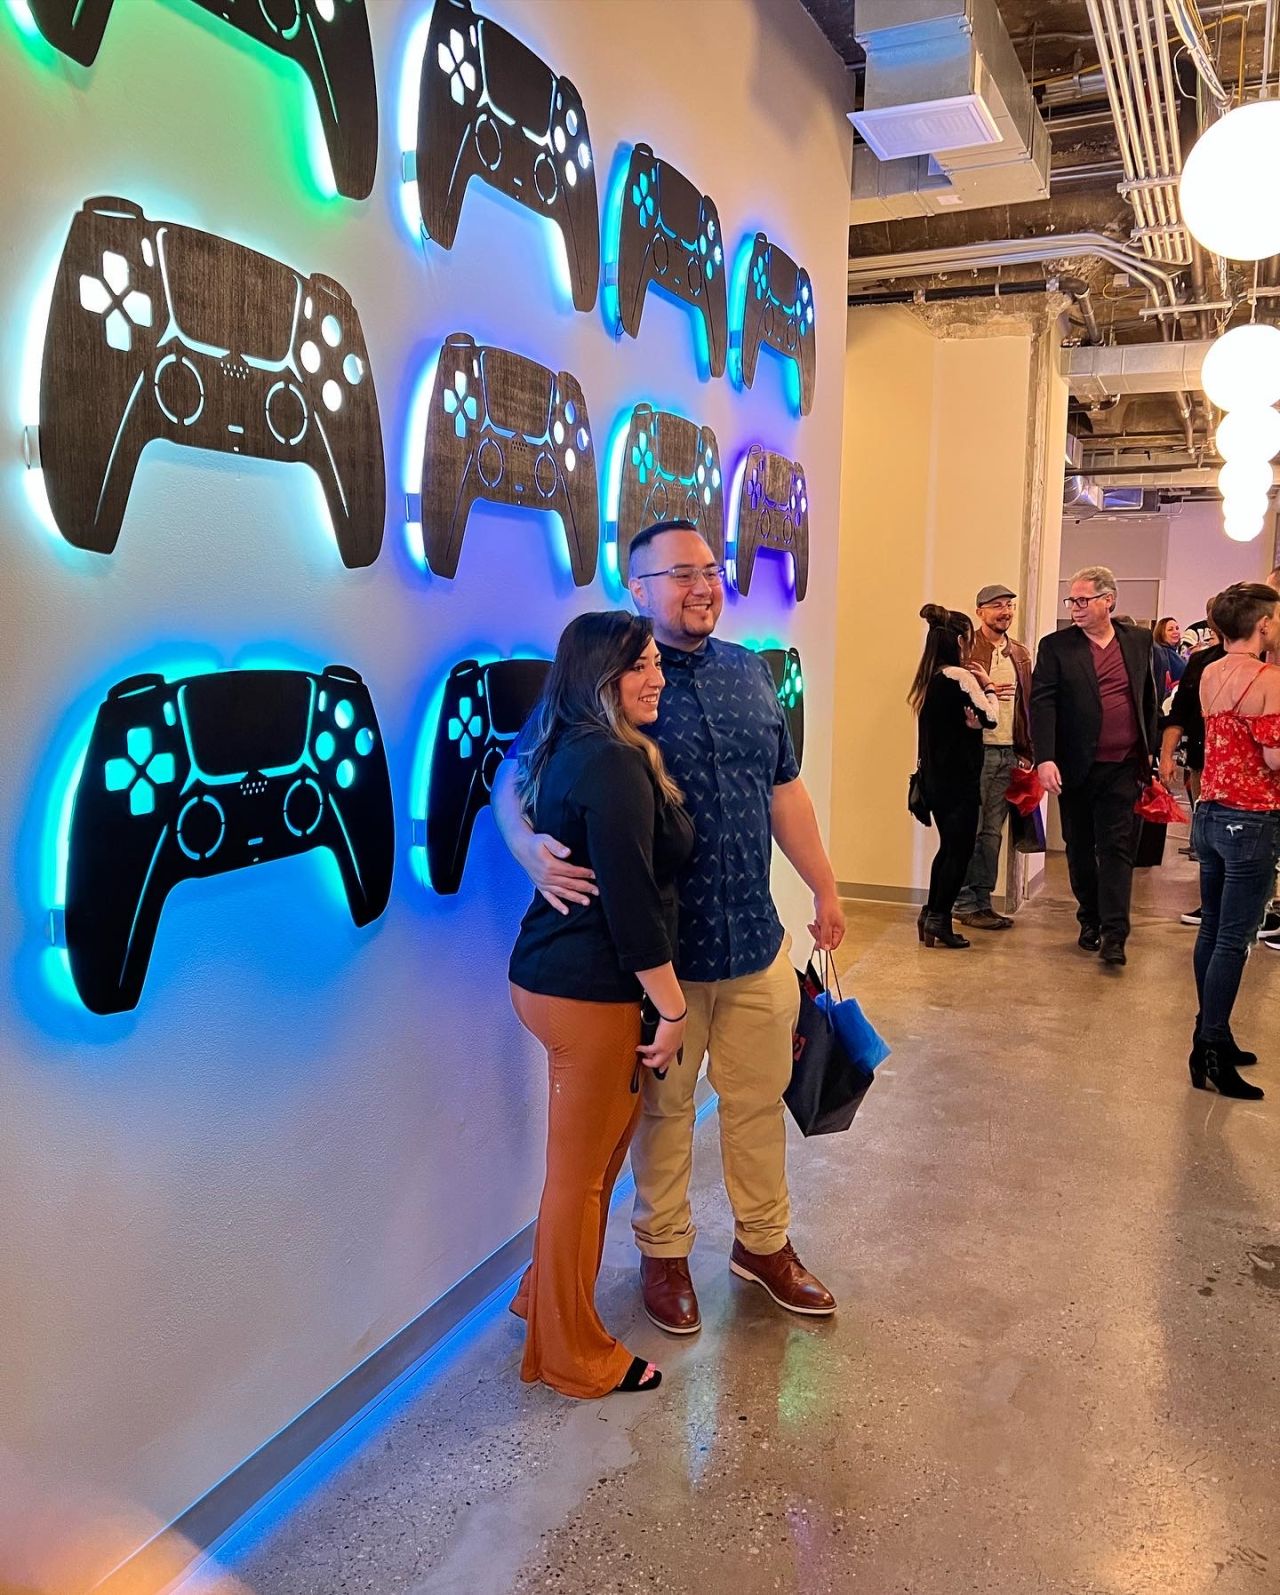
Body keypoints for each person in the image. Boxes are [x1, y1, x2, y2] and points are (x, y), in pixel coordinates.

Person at [493, 520, 845, 1338]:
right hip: (661, 958)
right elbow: (516, 767)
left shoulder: (751, 672)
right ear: (639, 587)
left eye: (711, 570)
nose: (703, 586)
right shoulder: (610, 679)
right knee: (665, 1114)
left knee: (758, 1103)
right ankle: (663, 1253)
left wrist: (824, 885)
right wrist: (525, 846)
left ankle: (764, 1244)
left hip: (755, 937)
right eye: (682, 573)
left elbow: (783, 789)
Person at [507, 611, 695, 1398]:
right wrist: (673, 1009)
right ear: (600, 678)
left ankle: (541, 1297)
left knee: (591, 1167)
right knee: (581, 1179)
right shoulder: (611, 760)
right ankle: (572, 1354)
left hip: (559, 978)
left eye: (655, 662)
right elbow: (630, 904)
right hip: (586, 990)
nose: (656, 677)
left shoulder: (573, 745)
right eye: (638, 665)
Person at [1031, 565, 1159, 967]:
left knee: (1117, 848)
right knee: (1080, 847)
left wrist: (1151, 749)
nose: (1075, 607)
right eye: (1072, 600)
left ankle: (1115, 934)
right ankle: (1090, 918)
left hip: (1124, 766)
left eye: (1083, 600)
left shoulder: (1137, 640)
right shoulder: (1056, 647)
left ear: (1109, 600)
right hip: (1075, 766)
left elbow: (1147, 695)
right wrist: (1045, 757)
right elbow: (1043, 703)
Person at [1187, 582, 1280, 1100]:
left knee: (1212, 931)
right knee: (1233, 939)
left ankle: (1210, 1033)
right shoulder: (1269, 679)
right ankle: (1212, 1046)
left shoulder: (1210, 672)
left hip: (1209, 813)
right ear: (1263, 624)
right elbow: (1273, 758)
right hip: (1252, 819)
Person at [909, 605, 999, 949]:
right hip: (959, 782)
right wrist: (989, 686)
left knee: (947, 849)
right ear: (961, 640)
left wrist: (972, 723)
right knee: (958, 852)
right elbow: (990, 718)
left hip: (935, 780)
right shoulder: (960, 677)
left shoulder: (930, 678)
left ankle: (932, 915)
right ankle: (938, 918)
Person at [953, 582, 1033, 931]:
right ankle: (963, 902)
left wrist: (1026, 750)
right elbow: (949, 695)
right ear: (980, 611)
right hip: (976, 752)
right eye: (998, 605)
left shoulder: (1021, 654)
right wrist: (983, 691)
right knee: (970, 830)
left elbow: (1028, 706)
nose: (1005, 612)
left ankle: (982, 901)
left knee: (992, 834)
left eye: (1010, 605)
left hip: (1008, 752)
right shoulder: (964, 648)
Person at [1160, 610, 1225, 930]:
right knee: (1207, 836)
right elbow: (1180, 712)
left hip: (1252, 771)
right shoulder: (1201, 662)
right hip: (1205, 761)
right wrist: (1166, 755)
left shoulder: (1265, 663)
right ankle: (1212, 905)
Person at [1152, 617, 1187, 697]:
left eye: (1177, 628)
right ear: (1161, 634)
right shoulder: (1162, 652)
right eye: (1170, 629)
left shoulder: (1175, 653)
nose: (1176, 632)